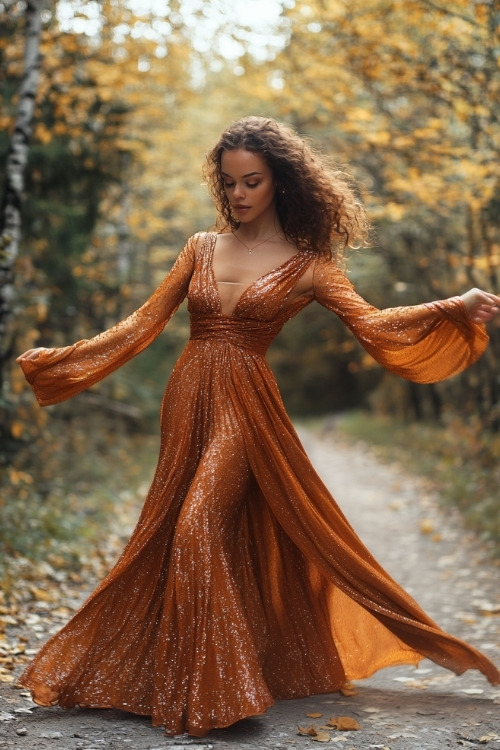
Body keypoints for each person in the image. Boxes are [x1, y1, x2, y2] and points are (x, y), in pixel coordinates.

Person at [16, 116, 500, 737]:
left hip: (247, 404)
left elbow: (376, 325)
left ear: (282, 183)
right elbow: (141, 324)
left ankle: (223, 690)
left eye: (253, 181)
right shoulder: (198, 247)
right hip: (187, 396)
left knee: (197, 525)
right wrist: (63, 363)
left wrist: (450, 306)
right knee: (170, 527)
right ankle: (177, 674)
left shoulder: (309, 265)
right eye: (230, 182)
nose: (239, 194)